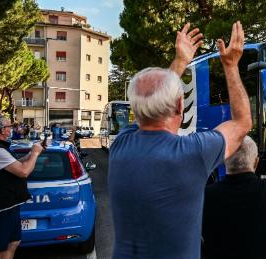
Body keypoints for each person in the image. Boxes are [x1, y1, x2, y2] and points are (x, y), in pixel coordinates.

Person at [108, 21, 252, 259]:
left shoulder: (121, 145)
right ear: (179, 105)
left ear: (136, 108)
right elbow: (242, 123)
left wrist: (181, 61)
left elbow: (153, 99)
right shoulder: (192, 154)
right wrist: (230, 64)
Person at [0, 116, 44, 259]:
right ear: (2, 130)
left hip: (9, 204)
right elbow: (23, 171)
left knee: (13, 242)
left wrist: (31, 154)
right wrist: (34, 153)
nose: (12, 129)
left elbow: (15, 164)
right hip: (1, 207)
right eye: (9, 126)